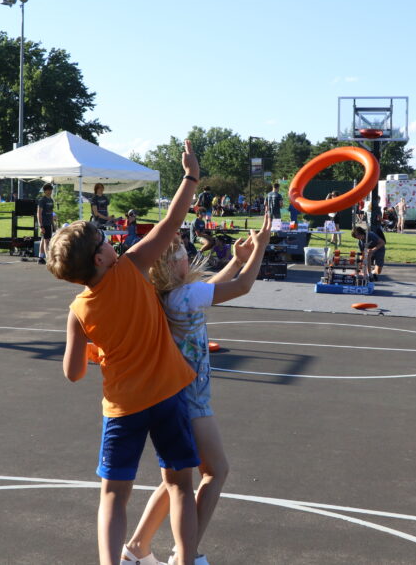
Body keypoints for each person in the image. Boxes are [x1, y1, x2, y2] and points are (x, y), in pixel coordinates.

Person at [48, 140, 202, 565]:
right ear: (100, 256)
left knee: (114, 494)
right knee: (179, 487)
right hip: (168, 395)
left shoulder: (79, 309)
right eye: (105, 237)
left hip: (123, 407)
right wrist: (190, 176)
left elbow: (73, 373)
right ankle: (185, 560)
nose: (114, 239)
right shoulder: (132, 266)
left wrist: (98, 352)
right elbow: (172, 221)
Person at [124, 216, 272, 565]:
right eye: (181, 254)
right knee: (215, 471)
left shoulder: (170, 296)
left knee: (176, 480)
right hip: (192, 400)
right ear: (172, 265)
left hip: (173, 395)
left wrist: (235, 260)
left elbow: (211, 293)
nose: (187, 256)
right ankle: (184, 554)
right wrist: (260, 249)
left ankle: (136, 549)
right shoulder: (185, 295)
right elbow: (241, 288)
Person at [36, 184, 55, 264]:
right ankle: (48, 258)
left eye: (51, 190)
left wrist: (53, 223)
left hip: (49, 223)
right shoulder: (42, 200)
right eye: (48, 190)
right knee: (46, 240)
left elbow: (51, 213)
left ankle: (40, 257)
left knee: (44, 239)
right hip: (44, 223)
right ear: (45, 191)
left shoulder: (51, 200)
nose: (50, 191)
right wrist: (41, 225)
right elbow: (39, 213)